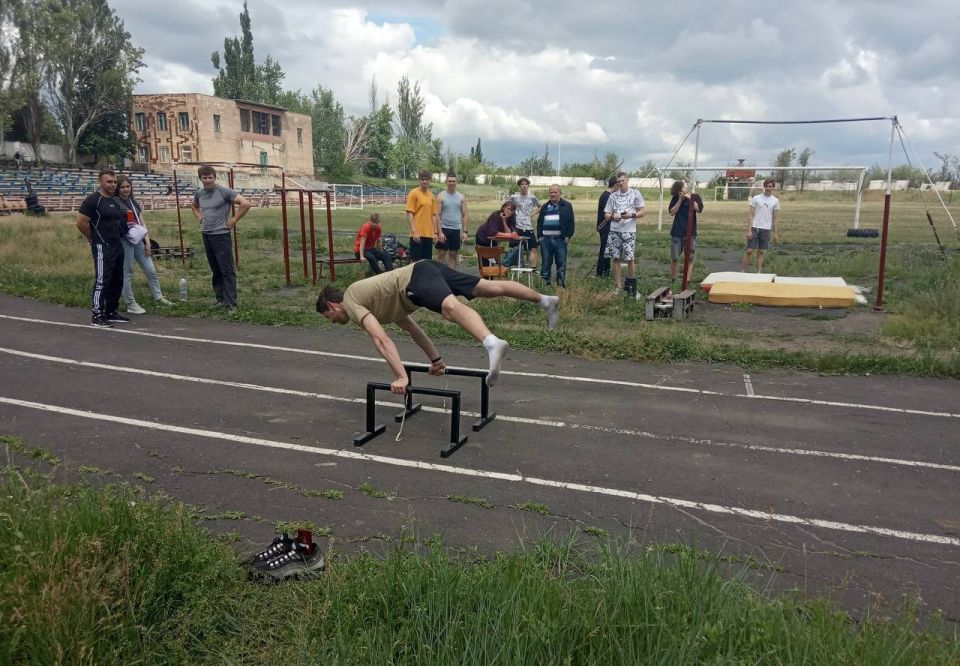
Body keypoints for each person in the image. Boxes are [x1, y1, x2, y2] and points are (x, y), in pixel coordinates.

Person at [316, 260, 561, 392]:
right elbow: (413, 329)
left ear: (332, 306)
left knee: (450, 308)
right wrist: (436, 360)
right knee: (488, 288)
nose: (334, 322)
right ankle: (546, 301)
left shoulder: (351, 300)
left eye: (329, 317)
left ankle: (491, 342)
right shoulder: (377, 304)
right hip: (424, 268)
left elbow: (381, 340)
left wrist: (401, 376)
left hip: (416, 278)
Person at [190, 165, 250, 311]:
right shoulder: (199, 194)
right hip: (206, 235)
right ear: (200, 179)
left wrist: (233, 220)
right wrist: (200, 218)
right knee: (216, 269)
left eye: (210, 177)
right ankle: (221, 300)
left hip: (221, 235)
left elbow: (245, 204)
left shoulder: (223, 191)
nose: (208, 180)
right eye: (205, 178)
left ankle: (232, 304)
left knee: (227, 270)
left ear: (215, 178)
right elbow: (194, 206)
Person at [75, 168, 129, 328]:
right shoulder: (93, 200)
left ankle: (111, 311)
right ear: (100, 182)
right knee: (102, 280)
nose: (113, 185)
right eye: (109, 182)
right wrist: (93, 238)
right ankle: (97, 315)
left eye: (114, 182)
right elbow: (81, 222)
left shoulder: (114, 201)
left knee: (117, 279)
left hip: (117, 245)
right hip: (102, 246)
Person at [116, 175, 173, 313]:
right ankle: (130, 303)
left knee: (150, 269)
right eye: (122, 187)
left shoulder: (133, 202)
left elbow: (142, 222)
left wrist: (147, 241)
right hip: (124, 240)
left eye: (128, 186)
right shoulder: (115, 202)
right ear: (118, 189)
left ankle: (158, 297)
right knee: (127, 271)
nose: (125, 189)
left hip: (138, 239)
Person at [603, 172, 645, 296]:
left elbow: (642, 212)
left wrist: (631, 215)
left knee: (629, 258)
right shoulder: (613, 196)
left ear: (627, 180)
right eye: (619, 181)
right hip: (615, 230)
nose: (621, 183)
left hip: (629, 231)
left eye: (623, 180)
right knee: (616, 258)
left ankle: (631, 286)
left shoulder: (635, 194)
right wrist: (612, 217)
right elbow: (606, 213)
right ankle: (618, 286)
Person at [535, 185, 575, 287]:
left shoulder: (567, 205)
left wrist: (568, 236)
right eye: (551, 192)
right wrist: (539, 237)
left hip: (560, 240)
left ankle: (560, 285)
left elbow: (571, 222)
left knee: (561, 263)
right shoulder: (545, 206)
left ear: (560, 193)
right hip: (546, 240)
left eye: (555, 192)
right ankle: (545, 285)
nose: (553, 194)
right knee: (546, 264)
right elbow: (539, 222)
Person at [668, 180, 704, 284]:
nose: (685, 187)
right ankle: (674, 280)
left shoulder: (695, 196)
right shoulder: (675, 198)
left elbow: (698, 209)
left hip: (690, 232)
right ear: (679, 189)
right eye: (683, 186)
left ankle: (687, 280)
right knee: (675, 257)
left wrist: (689, 198)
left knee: (690, 257)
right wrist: (680, 199)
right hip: (677, 232)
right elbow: (672, 212)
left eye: (685, 186)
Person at [742, 178, 780, 272]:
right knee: (749, 250)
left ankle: (759, 272)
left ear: (773, 187)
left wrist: (775, 233)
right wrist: (749, 230)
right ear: (764, 187)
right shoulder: (756, 198)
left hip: (766, 229)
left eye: (770, 186)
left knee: (761, 251)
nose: (768, 188)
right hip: (755, 227)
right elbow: (751, 214)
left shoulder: (775, 201)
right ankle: (744, 271)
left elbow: (775, 218)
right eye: (766, 186)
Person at [435, 173, 469, 268]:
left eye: (453, 181)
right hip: (444, 228)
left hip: (456, 229)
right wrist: (439, 232)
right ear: (446, 182)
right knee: (441, 253)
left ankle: (451, 275)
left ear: (456, 182)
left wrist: (465, 231)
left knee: (453, 254)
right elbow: (437, 215)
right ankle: (438, 275)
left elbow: (465, 215)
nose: (451, 183)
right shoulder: (441, 196)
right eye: (449, 181)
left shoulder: (461, 197)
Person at [405, 170, 439, 261]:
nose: (425, 181)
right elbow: (409, 213)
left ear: (430, 180)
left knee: (427, 262)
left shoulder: (431, 196)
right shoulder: (414, 193)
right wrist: (414, 231)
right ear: (419, 180)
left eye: (427, 179)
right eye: (422, 179)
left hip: (428, 234)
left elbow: (434, 215)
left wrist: (435, 233)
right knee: (416, 262)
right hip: (417, 234)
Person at [510, 177, 540, 267]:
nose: (524, 186)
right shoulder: (514, 197)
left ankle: (533, 268)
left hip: (528, 226)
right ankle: (519, 267)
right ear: (519, 186)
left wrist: (532, 214)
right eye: (522, 184)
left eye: (526, 184)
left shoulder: (532, 197)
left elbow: (541, 206)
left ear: (528, 186)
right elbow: (508, 207)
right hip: (517, 226)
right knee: (517, 248)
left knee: (533, 248)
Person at [595, 176, 617, 277]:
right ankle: (600, 272)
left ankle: (606, 270)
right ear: (615, 185)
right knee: (604, 249)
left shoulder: (608, 195)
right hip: (605, 227)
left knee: (608, 249)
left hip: (607, 226)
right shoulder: (606, 196)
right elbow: (608, 213)